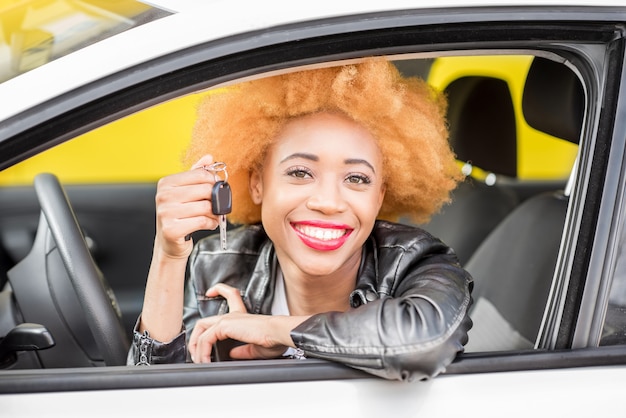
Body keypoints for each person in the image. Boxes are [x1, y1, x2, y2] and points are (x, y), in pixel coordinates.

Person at [128, 59, 473, 381]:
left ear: (380, 195)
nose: (327, 202)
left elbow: (422, 343)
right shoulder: (218, 264)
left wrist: (275, 329)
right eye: (300, 172)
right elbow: (151, 398)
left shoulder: (417, 260)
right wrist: (169, 255)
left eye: (356, 179)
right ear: (257, 184)